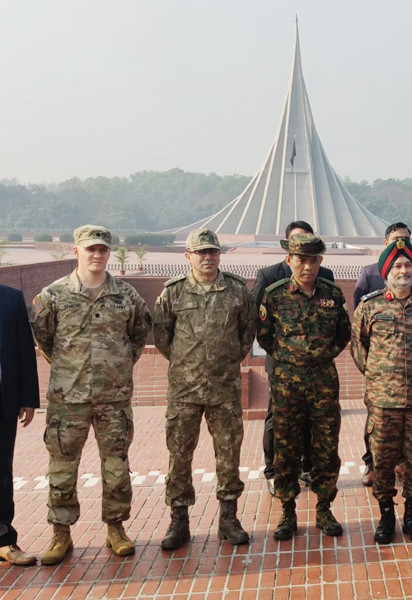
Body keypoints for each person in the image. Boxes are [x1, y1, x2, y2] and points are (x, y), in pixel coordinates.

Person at [30, 225, 151, 565]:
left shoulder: (126, 296)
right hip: (68, 399)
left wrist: (118, 367)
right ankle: (61, 534)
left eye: (102, 249)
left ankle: (116, 528)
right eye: (90, 249)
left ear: (109, 252)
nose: (97, 255)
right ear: (76, 251)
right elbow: (44, 338)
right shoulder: (53, 296)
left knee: (116, 466)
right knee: (62, 468)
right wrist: (72, 368)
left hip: (113, 398)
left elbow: (139, 335)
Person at [154, 228, 256, 550]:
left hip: (224, 389)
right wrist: (188, 365)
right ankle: (179, 521)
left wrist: (223, 363)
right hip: (184, 391)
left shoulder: (237, 291)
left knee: (228, 455)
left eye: (212, 252)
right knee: (179, 456)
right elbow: (163, 338)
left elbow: (247, 333)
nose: (207, 257)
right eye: (201, 252)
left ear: (219, 255)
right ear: (188, 256)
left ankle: (228, 519)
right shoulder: (172, 293)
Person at [257, 233, 351, 540]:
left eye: (313, 260)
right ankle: (287, 511)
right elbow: (265, 336)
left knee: (326, 448)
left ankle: (324, 510)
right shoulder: (274, 295)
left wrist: (321, 356)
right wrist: (289, 359)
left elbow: (342, 334)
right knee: (286, 449)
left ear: (320, 261)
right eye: (301, 260)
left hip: (323, 384)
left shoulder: (332, 294)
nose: (308, 266)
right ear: (289, 260)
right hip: (287, 388)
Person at [352, 238, 412, 544]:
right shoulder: (369, 306)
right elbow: (358, 349)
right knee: (383, 461)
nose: (404, 271)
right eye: (397, 266)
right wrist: (379, 377)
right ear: (386, 271)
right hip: (382, 402)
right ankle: (386, 514)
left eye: (408, 265)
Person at [251, 220, 334, 496]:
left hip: (318, 370)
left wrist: (322, 354)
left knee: (314, 420)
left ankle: (308, 468)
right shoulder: (269, 276)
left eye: (310, 248)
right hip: (283, 366)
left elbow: (339, 328)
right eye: (297, 245)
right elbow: (259, 325)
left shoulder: (327, 279)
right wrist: (284, 355)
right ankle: (274, 471)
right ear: (288, 249)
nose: (305, 257)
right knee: (279, 419)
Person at [0, 284, 40, 566]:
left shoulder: (11, 299)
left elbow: (25, 349)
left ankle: (3, 541)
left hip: (4, 399)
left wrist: (27, 398)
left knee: (2, 472)